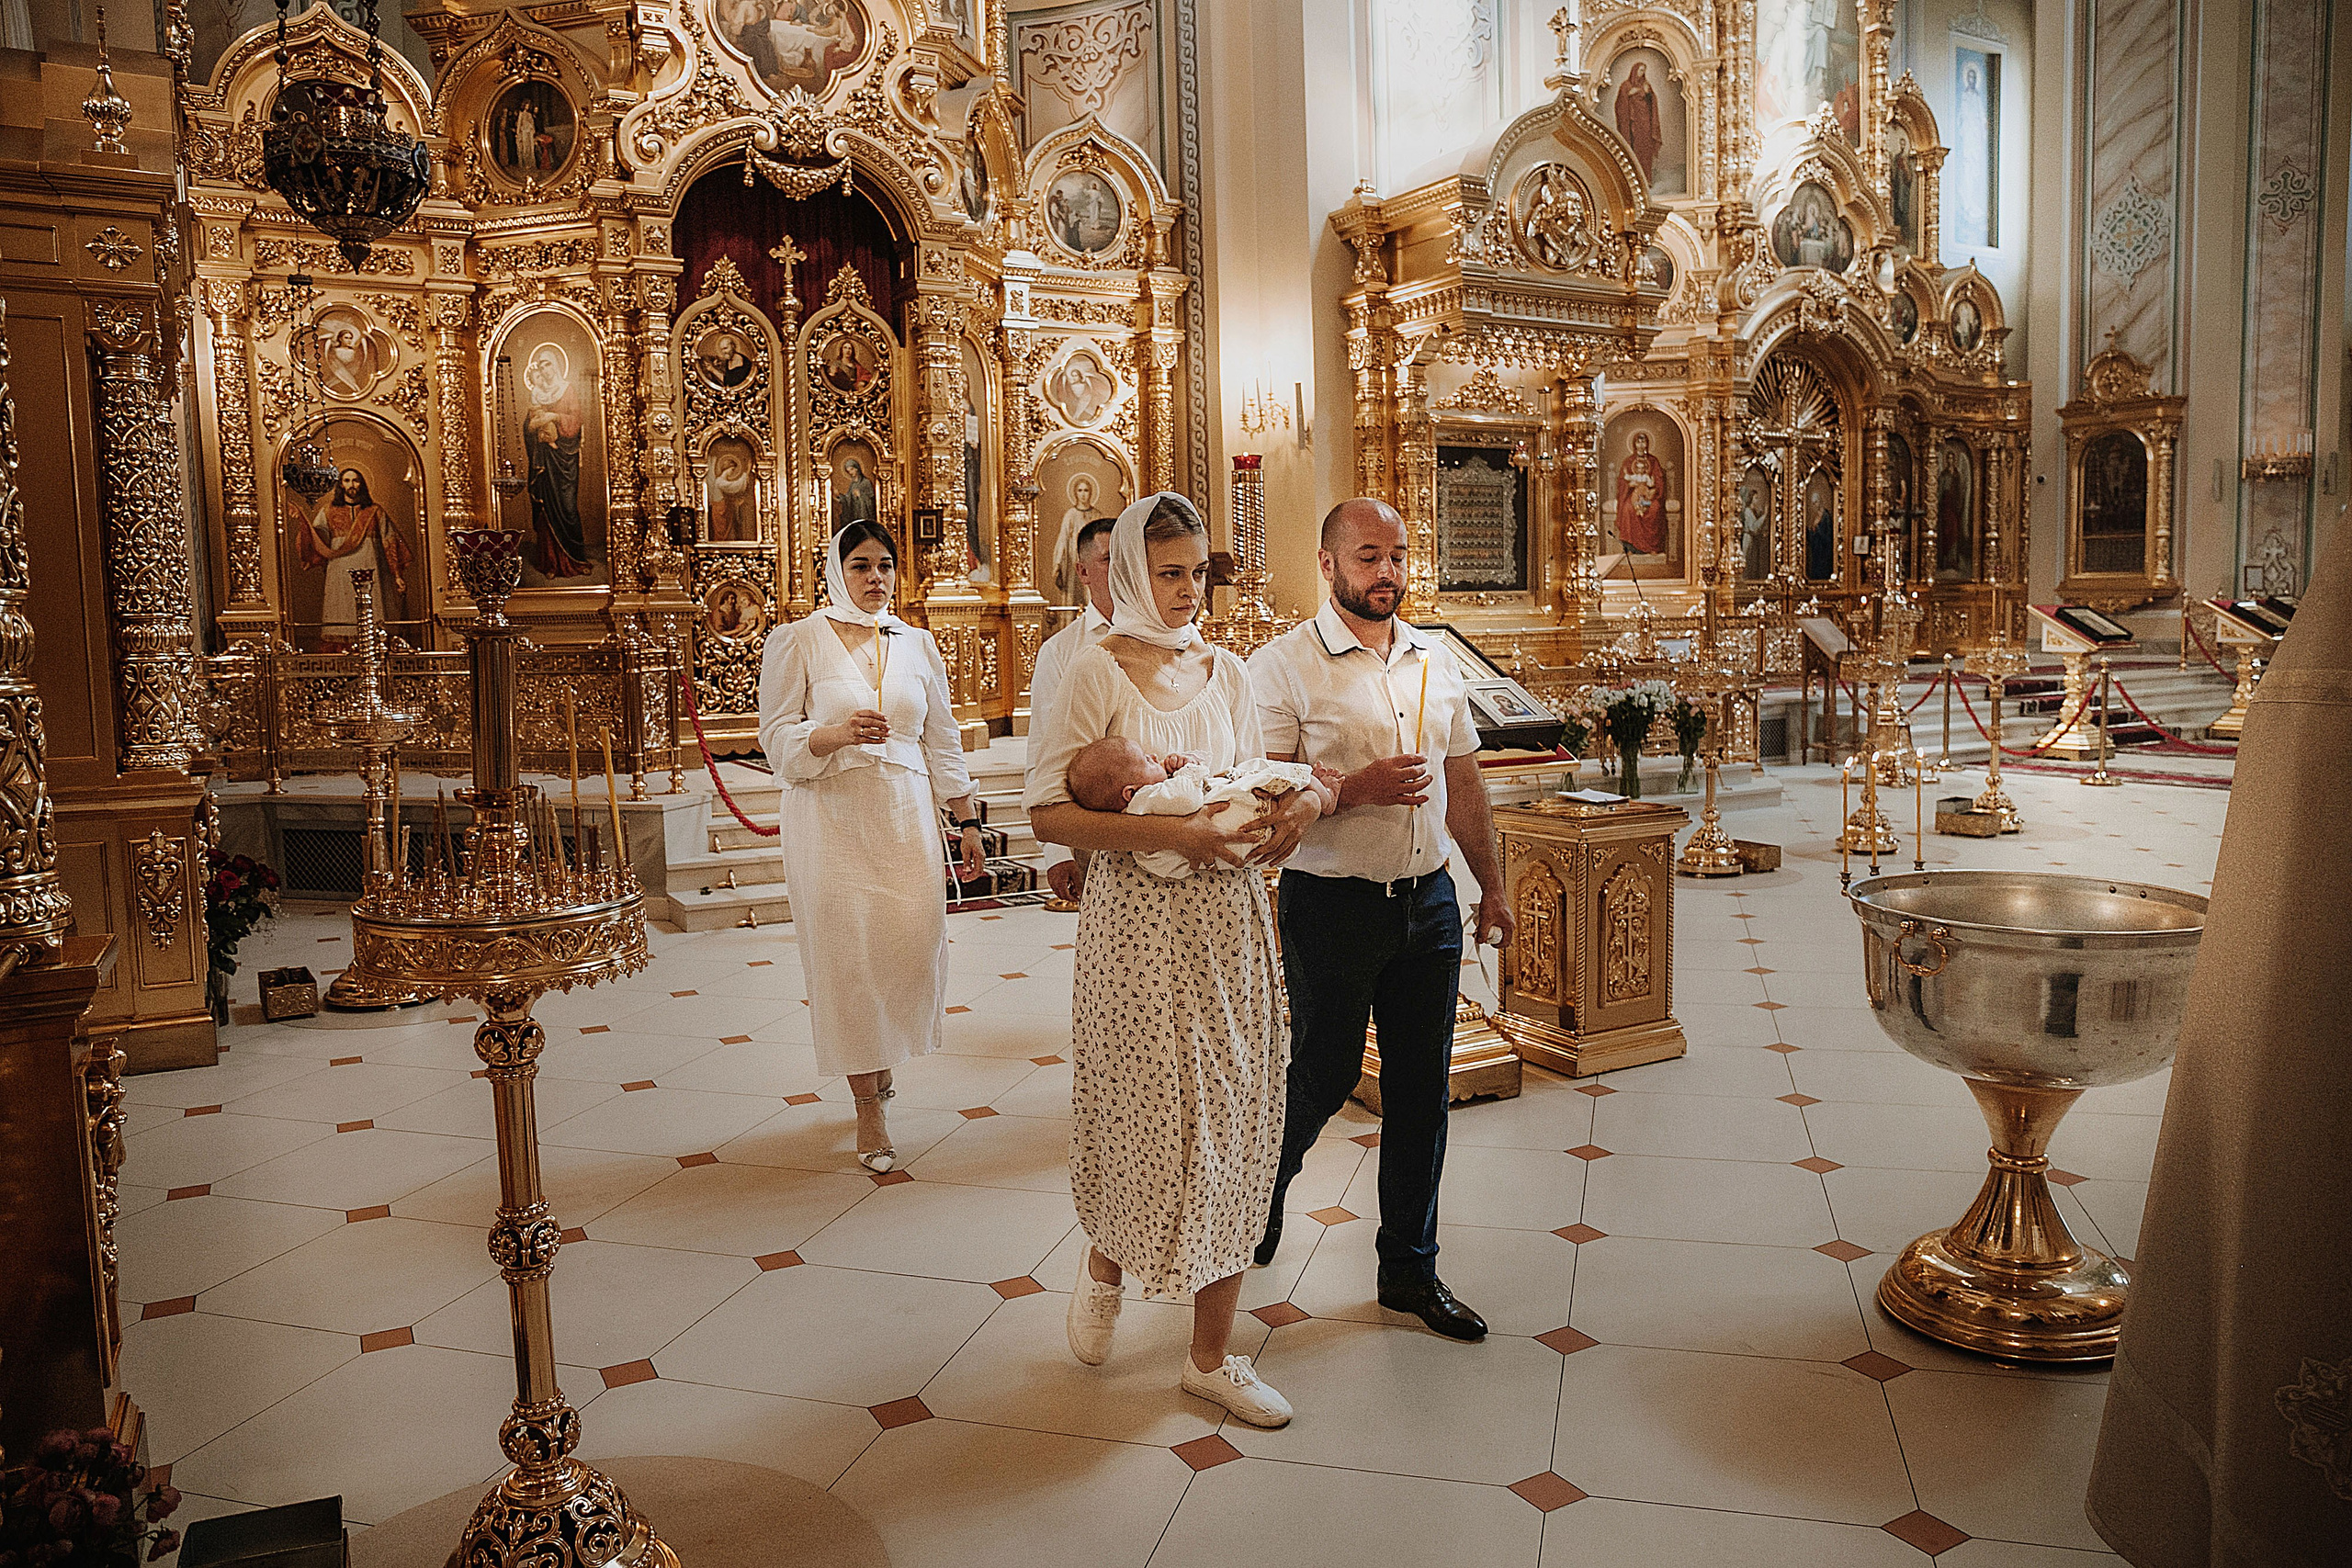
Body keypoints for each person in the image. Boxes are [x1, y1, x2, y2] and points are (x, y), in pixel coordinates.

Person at [1024, 492, 1330, 1427]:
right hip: (1134, 930)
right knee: (1138, 1111)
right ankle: (1105, 1262)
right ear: (1127, 573)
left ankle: (1209, 1358)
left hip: (1228, 927)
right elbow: (1048, 813)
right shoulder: (1090, 673)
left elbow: (1260, 779)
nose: (1189, 590)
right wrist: (1173, 836)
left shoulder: (1230, 674)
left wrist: (1293, 814)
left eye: (1198, 570)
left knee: (1237, 1121)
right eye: (1169, 572)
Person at [1247, 497, 1515, 1342]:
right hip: (1332, 903)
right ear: (1327, 566)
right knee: (1321, 1075)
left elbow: (1462, 781)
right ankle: (1258, 1197)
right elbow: (1262, 791)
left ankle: (1410, 1270)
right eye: (1368, 556)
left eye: (1397, 555)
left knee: (1421, 1092)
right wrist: (1353, 788)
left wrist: (1491, 886)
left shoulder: (1434, 660)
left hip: (1427, 900)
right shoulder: (1282, 665)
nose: (1388, 572)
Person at [758, 522, 988, 1172]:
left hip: (904, 819)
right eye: (860, 565)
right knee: (848, 960)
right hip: (830, 819)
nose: (876, 577)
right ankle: (870, 1108)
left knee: (907, 947)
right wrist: (832, 734)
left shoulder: (915, 641)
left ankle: (879, 1065)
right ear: (836, 569)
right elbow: (775, 740)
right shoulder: (797, 640)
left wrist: (966, 820)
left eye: (886, 564)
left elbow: (941, 737)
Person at [1067, 738, 1319, 880]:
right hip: (1234, 823)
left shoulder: (1142, 834)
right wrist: (1189, 768)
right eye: (1146, 759)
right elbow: (1188, 798)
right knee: (1259, 772)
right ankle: (1321, 787)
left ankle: (1319, 791)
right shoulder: (1147, 799)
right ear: (1129, 793)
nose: (1155, 757)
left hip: (1222, 860)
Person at [1026, 515, 1115, 905]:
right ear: (1082, 570)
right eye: (1110, 559)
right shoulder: (1062, 651)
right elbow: (1044, 753)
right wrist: (1057, 850)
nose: (1124, 570)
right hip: (1093, 828)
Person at [301, 467, 410, 649]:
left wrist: (397, 574)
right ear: (341, 485)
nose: (352, 485)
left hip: (371, 566)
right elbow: (316, 539)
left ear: (362, 484)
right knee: (342, 609)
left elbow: (390, 541)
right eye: (347, 480)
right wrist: (304, 527)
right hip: (339, 571)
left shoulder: (375, 512)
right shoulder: (328, 511)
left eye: (355, 480)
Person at [1613, 430, 1668, 555]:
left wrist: (1652, 489)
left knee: (1654, 508)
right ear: (1634, 444)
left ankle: (1653, 547)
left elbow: (1658, 480)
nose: (1641, 445)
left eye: (1643, 442)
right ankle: (1631, 547)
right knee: (1627, 509)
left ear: (1647, 444)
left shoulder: (1653, 461)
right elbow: (1623, 480)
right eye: (1638, 442)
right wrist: (1630, 485)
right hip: (1632, 496)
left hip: (1649, 497)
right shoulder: (1628, 461)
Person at [1613, 59, 1663, 184]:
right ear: (1635, 71)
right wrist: (1629, 94)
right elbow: (1619, 105)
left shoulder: (1646, 85)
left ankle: (1647, 179)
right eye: (1640, 70)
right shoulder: (1626, 86)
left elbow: (1652, 103)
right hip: (1632, 124)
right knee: (1634, 150)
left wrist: (1648, 94)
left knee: (1645, 150)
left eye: (1644, 71)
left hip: (1645, 122)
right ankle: (1634, 181)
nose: (1642, 73)